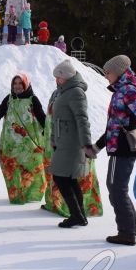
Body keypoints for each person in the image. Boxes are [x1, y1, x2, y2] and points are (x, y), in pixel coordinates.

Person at [89, 55, 136, 245]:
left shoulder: (127, 90)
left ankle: (126, 232)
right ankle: (133, 226)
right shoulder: (122, 90)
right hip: (120, 145)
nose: (106, 76)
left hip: (123, 147)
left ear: (117, 72)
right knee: (117, 188)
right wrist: (97, 146)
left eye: (107, 73)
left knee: (116, 188)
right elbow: (115, 124)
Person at [0, 73, 48, 205]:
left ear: (26, 84)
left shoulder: (33, 99)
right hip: (10, 143)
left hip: (29, 143)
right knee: (11, 168)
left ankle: (31, 194)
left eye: (20, 83)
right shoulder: (9, 99)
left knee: (31, 168)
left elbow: (42, 117)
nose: (17, 86)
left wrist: (49, 131)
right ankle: (16, 194)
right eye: (15, 83)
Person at [47, 58, 94, 228]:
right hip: (63, 141)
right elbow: (57, 119)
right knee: (69, 178)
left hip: (72, 143)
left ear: (65, 76)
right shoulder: (63, 90)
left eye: (58, 77)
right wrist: (54, 139)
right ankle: (79, 215)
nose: (56, 80)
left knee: (61, 177)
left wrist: (86, 144)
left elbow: (82, 119)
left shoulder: (75, 92)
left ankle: (77, 215)